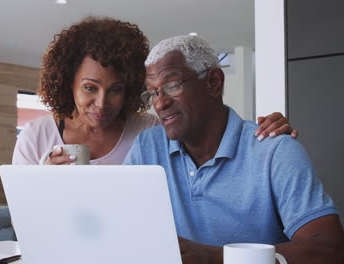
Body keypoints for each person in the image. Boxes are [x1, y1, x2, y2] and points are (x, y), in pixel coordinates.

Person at [124, 35, 344, 263]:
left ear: (214, 82)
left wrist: (216, 258)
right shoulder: (146, 148)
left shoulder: (274, 151)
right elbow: (118, 226)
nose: (160, 103)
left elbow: (330, 248)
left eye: (171, 85)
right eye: (152, 92)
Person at [12, 16, 296, 166]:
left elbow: (209, 141)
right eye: (89, 88)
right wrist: (43, 180)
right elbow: (20, 221)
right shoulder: (37, 136)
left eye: (116, 89)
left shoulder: (151, 132)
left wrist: (266, 134)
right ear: (67, 83)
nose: (101, 103)